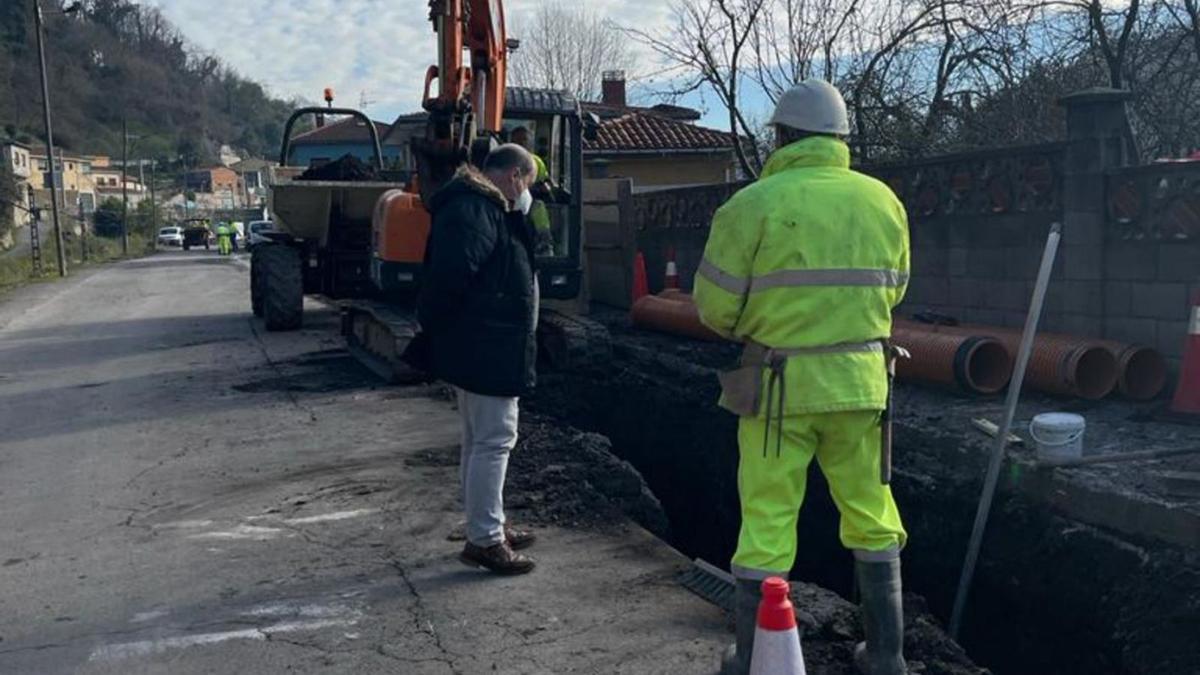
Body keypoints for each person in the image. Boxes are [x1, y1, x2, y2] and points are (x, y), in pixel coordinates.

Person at [692, 80, 911, 675]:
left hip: (779, 391)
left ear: (782, 136)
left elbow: (714, 308)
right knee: (872, 512)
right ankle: (888, 656)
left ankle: (754, 658)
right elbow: (894, 291)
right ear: (840, 138)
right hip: (863, 386)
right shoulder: (883, 201)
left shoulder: (751, 205)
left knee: (766, 524)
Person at [416, 144, 540, 575]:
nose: (526, 194)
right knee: (494, 441)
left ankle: (487, 525)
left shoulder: (479, 208)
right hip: (488, 345)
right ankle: (485, 539)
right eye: (528, 185)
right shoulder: (477, 211)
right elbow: (452, 280)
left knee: (478, 439)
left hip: (482, 343)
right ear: (515, 177)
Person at [509, 126, 555, 256]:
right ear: (511, 141)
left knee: (539, 207)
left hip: (530, 205)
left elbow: (545, 181)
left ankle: (544, 242)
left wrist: (546, 187)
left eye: (525, 140)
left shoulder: (536, 162)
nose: (522, 143)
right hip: (508, 203)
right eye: (518, 140)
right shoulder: (504, 159)